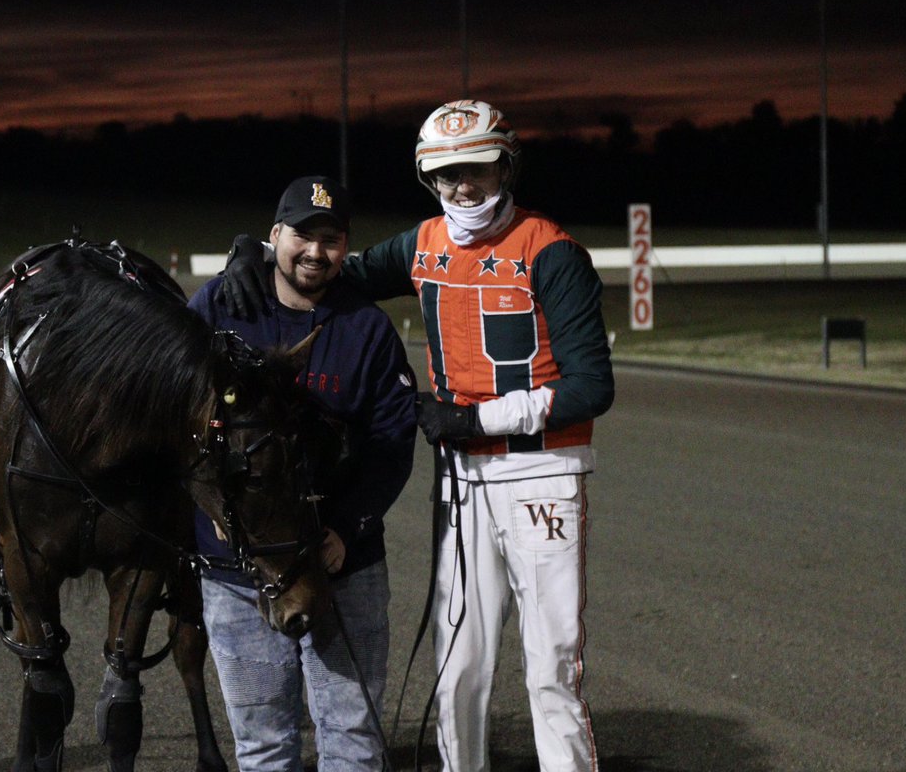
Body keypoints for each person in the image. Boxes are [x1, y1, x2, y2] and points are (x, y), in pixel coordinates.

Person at [221, 101, 614, 772]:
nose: (463, 187)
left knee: (550, 668)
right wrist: (256, 255)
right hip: (463, 479)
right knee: (458, 666)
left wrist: (479, 418)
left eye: (477, 170)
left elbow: (592, 386)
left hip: (542, 474)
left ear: (506, 166)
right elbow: (330, 269)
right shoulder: (424, 241)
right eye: (447, 173)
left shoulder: (553, 252)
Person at [189, 175, 418, 771]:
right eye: (302, 236)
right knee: (264, 746)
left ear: (346, 247)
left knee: (352, 738)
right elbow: (170, 420)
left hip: (343, 567)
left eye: (331, 239)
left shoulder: (366, 328)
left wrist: (346, 527)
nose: (315, 252)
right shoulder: (218, 308)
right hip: (236, 577)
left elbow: (391, 444)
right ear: (275, 237)